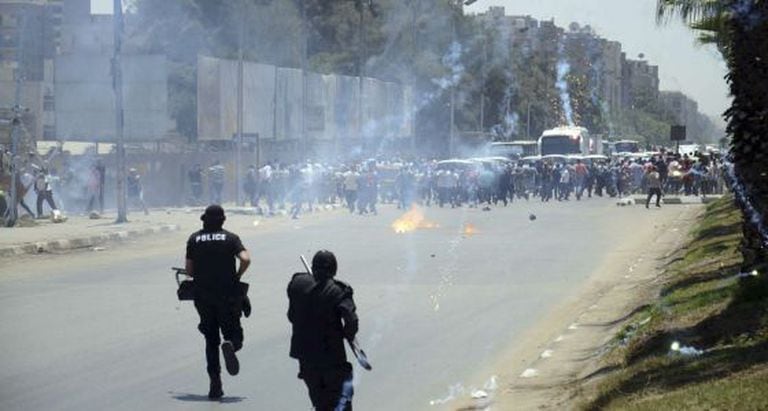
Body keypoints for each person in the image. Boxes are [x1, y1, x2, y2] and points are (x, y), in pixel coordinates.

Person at [185, 205, 251, 399]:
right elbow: (246, 259)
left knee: (210, 340)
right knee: (234, 333)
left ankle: (215, 385)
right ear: (223, 220)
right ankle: (231, 344)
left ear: (204, 220)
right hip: (227, 295)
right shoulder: (231, 238)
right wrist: (237, 276)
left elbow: (189, 270)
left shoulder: (194, 239)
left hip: (203, 296)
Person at [288, 250, 358, 411]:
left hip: (305, 357)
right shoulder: (339, 290)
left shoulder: (296, 284)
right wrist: (346, 334)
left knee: (320, 401)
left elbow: (291, 316)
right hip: (331, 357)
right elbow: (351, 321)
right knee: (342, 399)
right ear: (333, 270)